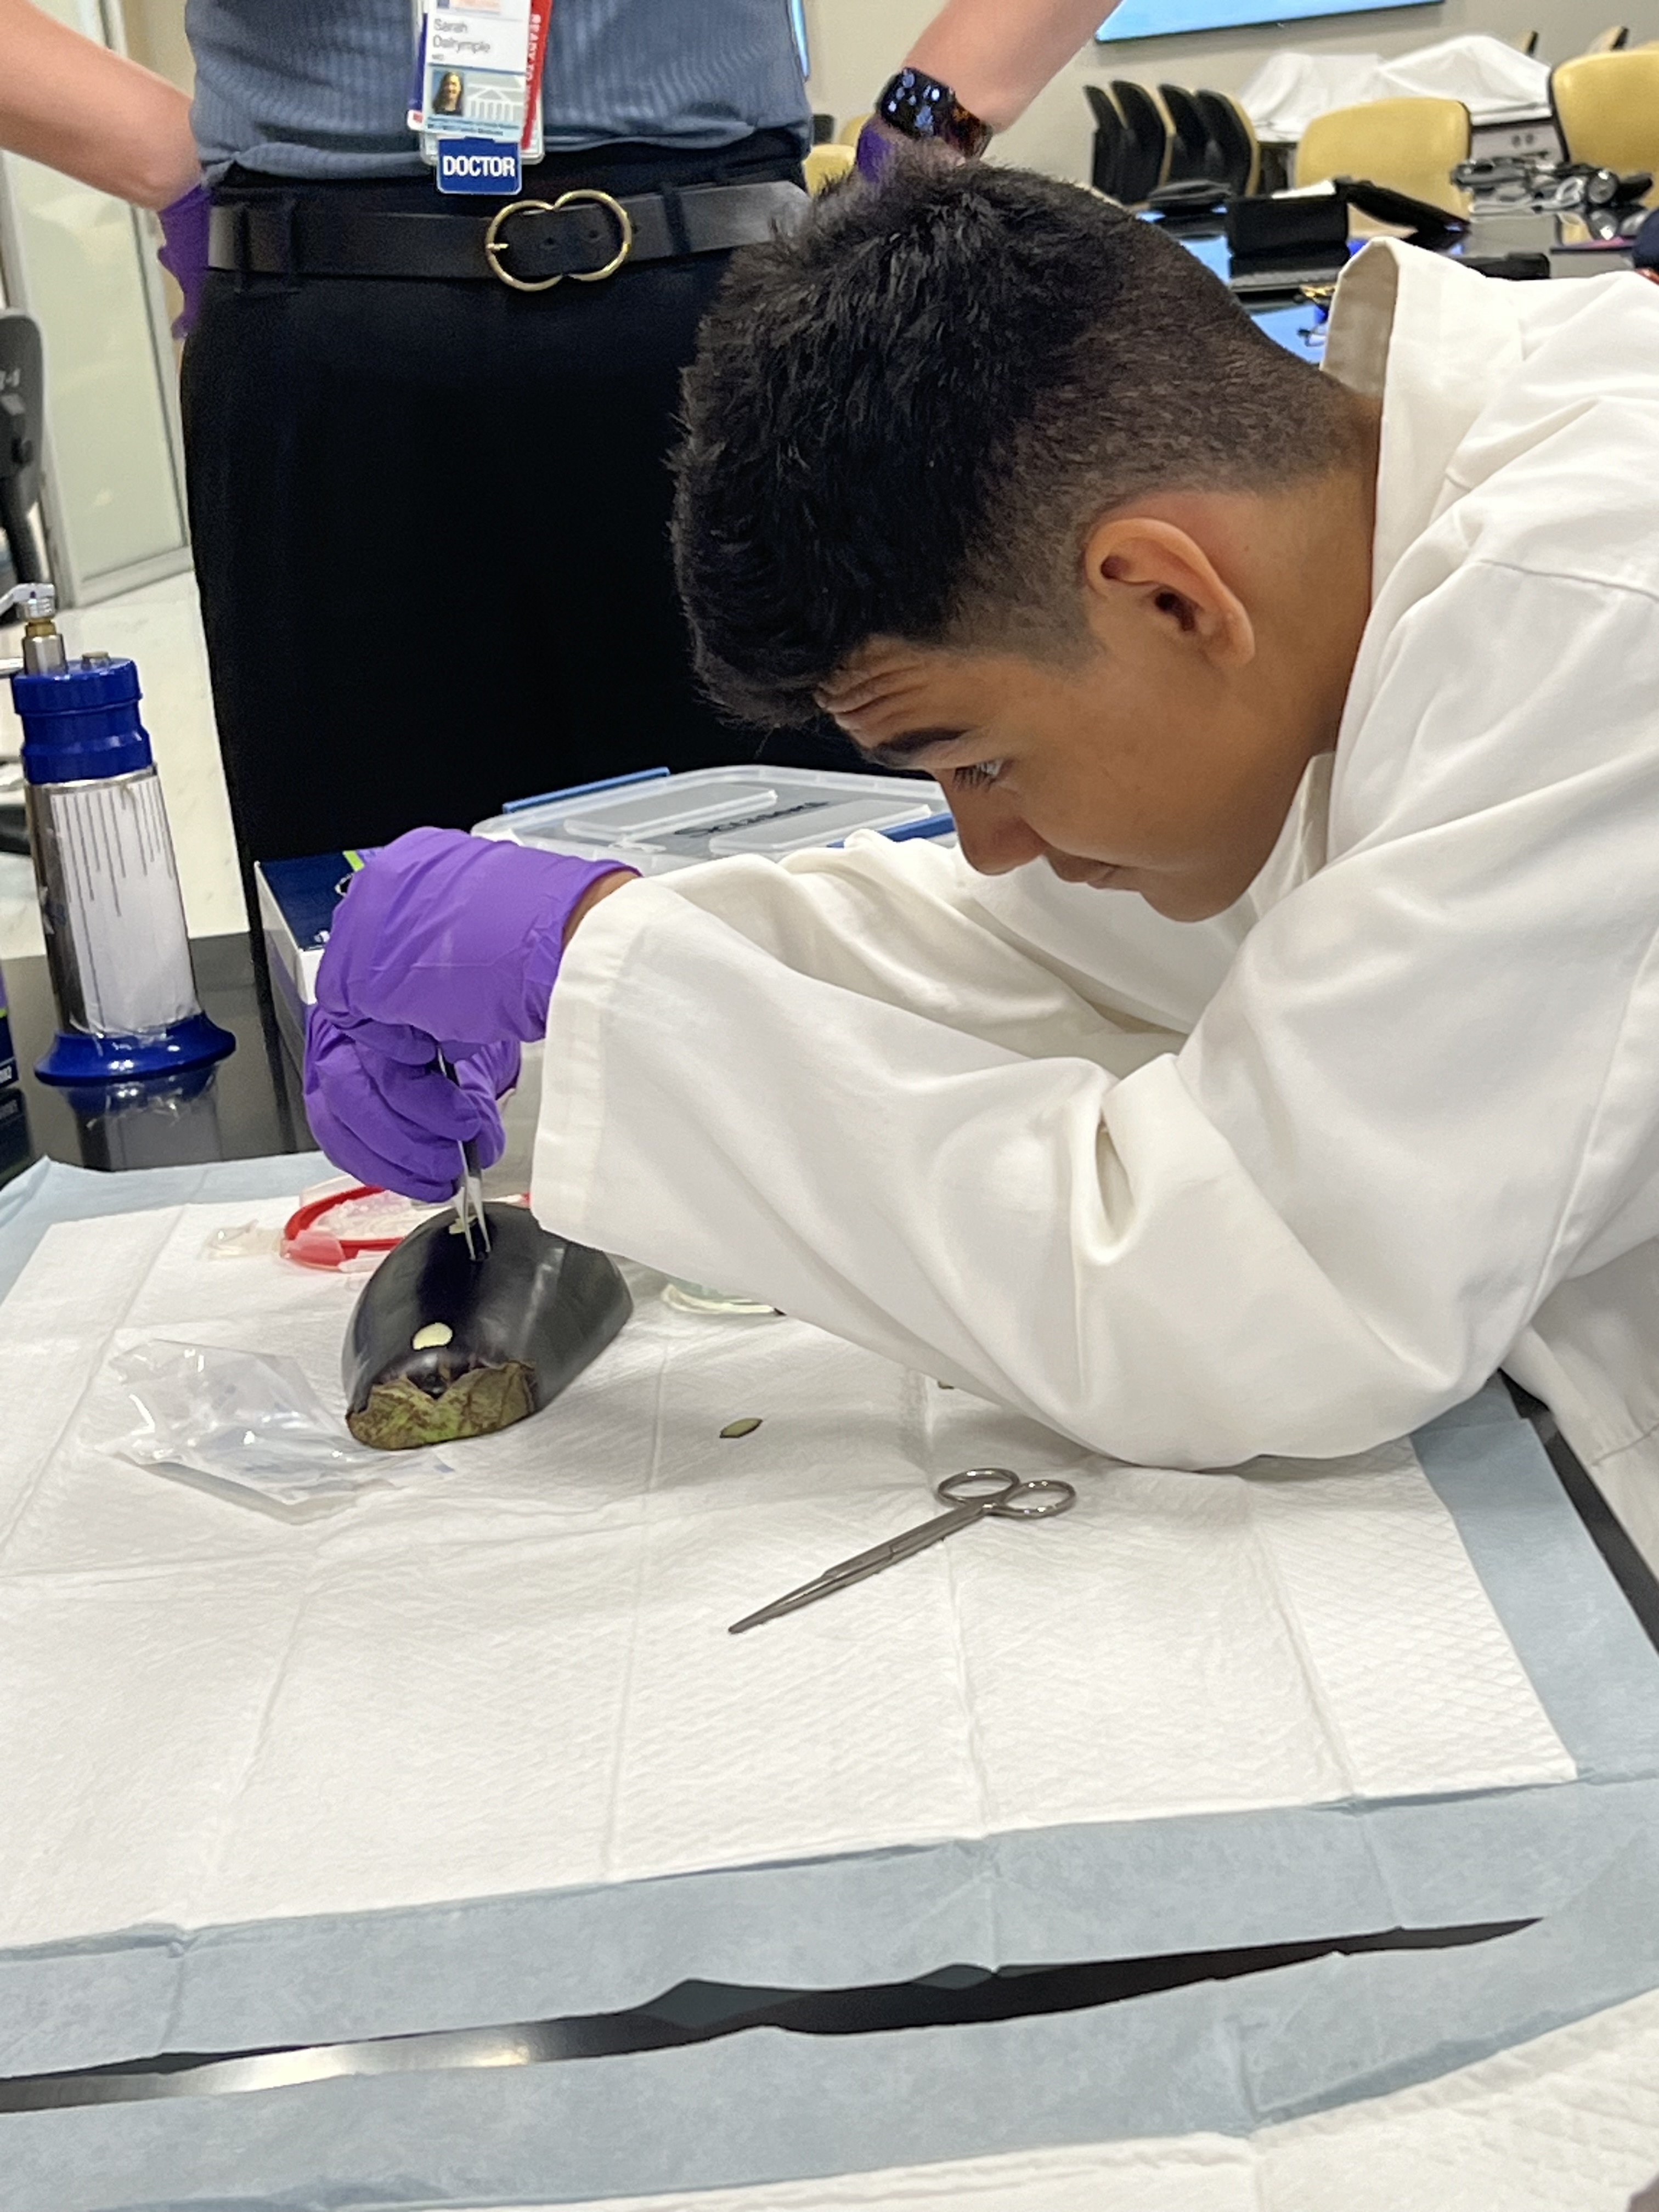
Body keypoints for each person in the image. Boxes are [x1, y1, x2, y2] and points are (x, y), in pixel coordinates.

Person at [306, 163, 1659, 1549]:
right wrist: (560, 1001)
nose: (989, 842)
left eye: (979, 760)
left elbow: (1261, 1301)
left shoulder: (1594, 603)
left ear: (1168, 594)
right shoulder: (1373, 531)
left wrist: (616, 986)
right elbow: (1050, 951)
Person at [170, 0, 1116, 868]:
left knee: (828, 899)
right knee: (374, 912)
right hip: (330, 323)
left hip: (728, 310)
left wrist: (923, 131)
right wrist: (161, 157)